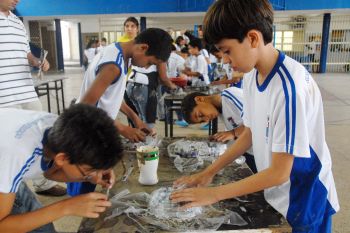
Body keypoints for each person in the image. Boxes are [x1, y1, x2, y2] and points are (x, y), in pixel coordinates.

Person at [171, 1, 339, 232]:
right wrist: (208, 173)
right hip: (277, 192)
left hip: (305, 196)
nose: (225, 60)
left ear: (252, 38)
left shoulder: (288, 87)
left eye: (227, 51)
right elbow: (250, 133)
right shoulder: (251, 77)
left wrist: (213, 195)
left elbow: (280, 172)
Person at [0, 104, 123, 233]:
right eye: (89, 171)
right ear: (62, 158)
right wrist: (66, 207)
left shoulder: (60, 130)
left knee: (42, 227)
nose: (96, 175)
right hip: (6, 161)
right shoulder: (16, 156)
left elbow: (49, 173)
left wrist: (92, 172)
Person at [0, 0, 67, 197]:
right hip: (3, 94)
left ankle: (43, 183)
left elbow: (25, 52)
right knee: (12, 143)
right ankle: (13, 192)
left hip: (26, 89)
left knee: (43, 135)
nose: (17, 0)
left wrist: (38, 61)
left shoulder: (16, 22)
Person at [181, 88, 257, 173]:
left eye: (200, 115)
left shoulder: (230, 97)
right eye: (202, 121)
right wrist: (222, 140)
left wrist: (233, 133)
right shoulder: (221, 110)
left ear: (199, 99)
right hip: (251, 152)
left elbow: (260, 120)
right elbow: (239, 130)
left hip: (264, 152)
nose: (206, 119)